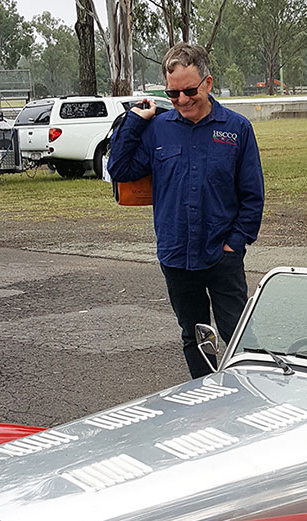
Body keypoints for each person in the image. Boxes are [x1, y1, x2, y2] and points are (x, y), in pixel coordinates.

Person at [108, 43, 265, 378]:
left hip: (221, 253)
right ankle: (206, 396)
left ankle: (249, 396)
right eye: (173, 93)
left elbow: (253, 196)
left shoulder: (236, 129)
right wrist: (134, 121)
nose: (182, 100)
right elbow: (119, 169)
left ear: (207, 83)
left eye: (189, 91)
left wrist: (235, 244)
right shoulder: (159, 129)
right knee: (194, 336)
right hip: (176, 254)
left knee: (239, 338)